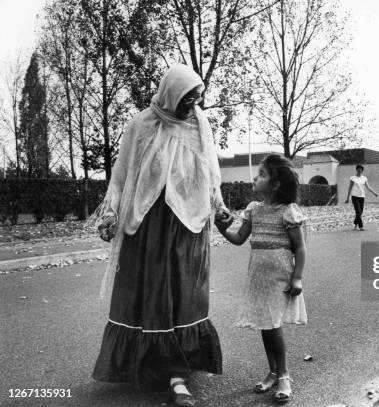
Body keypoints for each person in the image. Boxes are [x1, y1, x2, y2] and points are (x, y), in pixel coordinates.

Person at [92, 65, 233, 407]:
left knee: (185, 295)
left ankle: (177, 372)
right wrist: (110, 212)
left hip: (190, 226)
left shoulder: (200, 124)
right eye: (187, 98)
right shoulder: (141, 125)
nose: (192, 104)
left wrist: (219, 205)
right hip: (150, 224)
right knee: (154, 296)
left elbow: (210, 170)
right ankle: (159, 366)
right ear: (171, 93)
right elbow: (122, 173)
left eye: (197, 98)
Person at [216, 154, 307, 404]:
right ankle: (273, 371)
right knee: (266, 327)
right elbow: (238, 239)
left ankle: (284, 375)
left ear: (276, 184)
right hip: (258, 277)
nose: (255, 178)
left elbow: (300, 248)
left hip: (280, 277)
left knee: (273, 325)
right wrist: (221, 226)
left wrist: (297, 278)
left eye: (262, 174)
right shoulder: (254, 210)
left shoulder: (288, 212)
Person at [344, 164, 378, 231]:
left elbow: (368, 187)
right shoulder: (353, 178)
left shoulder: (364, 178)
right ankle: (361, 226)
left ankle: (355, 224)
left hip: (362, 196)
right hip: (354, 196)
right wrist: (347, 198)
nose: (359, 170)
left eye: (361, 169)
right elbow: (350, 188)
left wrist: (374, 193)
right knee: (358, 211)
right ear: (356, 170)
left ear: (362, 170)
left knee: (360, 212)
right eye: (358, 169)